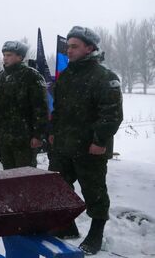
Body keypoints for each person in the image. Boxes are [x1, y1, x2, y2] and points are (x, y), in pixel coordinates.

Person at [48, 26, 123, 255]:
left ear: (89, 48)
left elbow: (112, 114)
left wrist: (100, 141)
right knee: (58, 187)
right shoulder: (67, 75)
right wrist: (52, 131)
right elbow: (58, 109)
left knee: (94, 191)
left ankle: (96, 232)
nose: (68, 51)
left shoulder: (105, 77)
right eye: (68, 46)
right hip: (63, 145)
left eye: (74, 46)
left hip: (91, 148)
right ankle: (67, 225)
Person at [0, 41, 48, 170]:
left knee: (25, 174)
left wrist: (37, 135)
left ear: (20, 57)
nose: (5, 58)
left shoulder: (32, 76)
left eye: (9, 55)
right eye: (4, 54)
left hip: (25, 137)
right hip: (5, 136)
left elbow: (40, 108)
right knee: (9, 173)